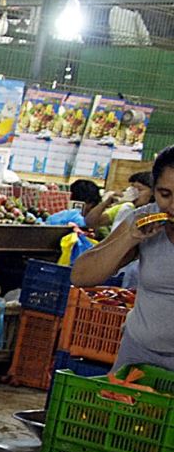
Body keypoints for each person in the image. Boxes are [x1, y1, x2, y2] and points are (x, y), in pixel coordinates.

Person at [72, 146, 174, 373]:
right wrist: (129, 238)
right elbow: (81, 275)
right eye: (165, 194)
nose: (173, 206)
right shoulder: (144, 218)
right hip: (138, 354)